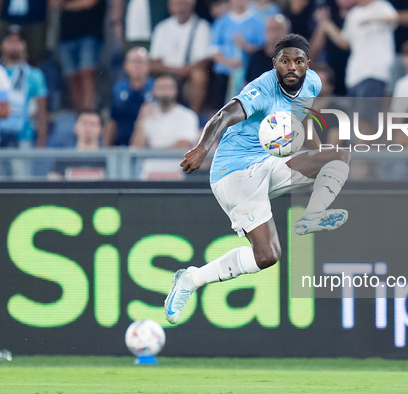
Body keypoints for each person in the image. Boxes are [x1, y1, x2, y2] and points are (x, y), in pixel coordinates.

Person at [164, 34, 351, 324]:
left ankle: (312, 217)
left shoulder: (313, 83)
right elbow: (224, 115)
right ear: (274, 63)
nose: (292, 67)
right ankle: (191, 280)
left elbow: (297, 123)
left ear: (307, 64)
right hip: (234, 172)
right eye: (285, 61)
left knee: (338, 156)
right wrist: (202, 149)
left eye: (298, 61)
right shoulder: (262, 87)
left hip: (268, 163)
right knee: (267, 256)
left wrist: (315, 159)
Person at [316, 0, 398, 99]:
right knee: (355, 114)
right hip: (354, 75)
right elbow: (345, 42)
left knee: (367, 113)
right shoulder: (353, 14)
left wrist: (372, 19)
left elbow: (394, 18)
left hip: (375, 71)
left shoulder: (381, 6)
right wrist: (326, 23)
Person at [149, 0, 211, 114]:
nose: (179, 7)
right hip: (166, 73)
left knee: (199, 76)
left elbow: (203, 61)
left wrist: (186, 70)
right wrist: (175, 70)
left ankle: (193, 117)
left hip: (188, 75)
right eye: (175, 4)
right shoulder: (162, 28)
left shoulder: (202, 27)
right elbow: (154, 62)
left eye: (182, 3)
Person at [209, 0, 265, 110]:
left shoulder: (258, 22)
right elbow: (213, 49)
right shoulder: (221, 22)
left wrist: (245, 46)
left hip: (247, 75)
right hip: (224, 73)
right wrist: (228, 62)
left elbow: (261, 48)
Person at [53, 0, 106, 112]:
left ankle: (88, 113)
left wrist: (65, 5)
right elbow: (53, 3)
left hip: (90, 32)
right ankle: (79, 116)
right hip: (67, 33)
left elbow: (89, 2)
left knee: (86, 73)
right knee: (72, 77)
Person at [0, 25, 47, 148]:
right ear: (2, 44)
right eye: (10, 41)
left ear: (24, 45)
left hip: (24, 137)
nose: (14, 45)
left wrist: (41, 145)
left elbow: (42, 113)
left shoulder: (34, 75)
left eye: (18, 41)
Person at [130, 74, 199, 149]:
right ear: (154, 91)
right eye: (161, 88)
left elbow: (181, 148)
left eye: (168, 88)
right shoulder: (147, 115)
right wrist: (141, 119)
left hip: (174, 160)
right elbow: (136, 148)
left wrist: (152, 153)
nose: (164, 92)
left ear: (175, 91)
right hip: (149, 160)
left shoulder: (187, 116)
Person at [106, 47, 154, 147]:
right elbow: (112, 119)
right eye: (133, 61)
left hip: (148, 144)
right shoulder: (118, 88)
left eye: (141, 62)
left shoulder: (156, 87)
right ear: (125, 65)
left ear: (148, 66)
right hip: (120, 143)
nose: (137, 65)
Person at [47, 109, 106, 180]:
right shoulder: (64, 159)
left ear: (101, 129)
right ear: (75, 127)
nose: (88, 128)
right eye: (84, 123)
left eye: (93, 124)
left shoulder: (108, 159)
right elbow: (53, 179)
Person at [245, 14, 290, 84]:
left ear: (286, 33)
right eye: (270, 30)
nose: (273, 34)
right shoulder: (256, 57)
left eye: (277, 30)